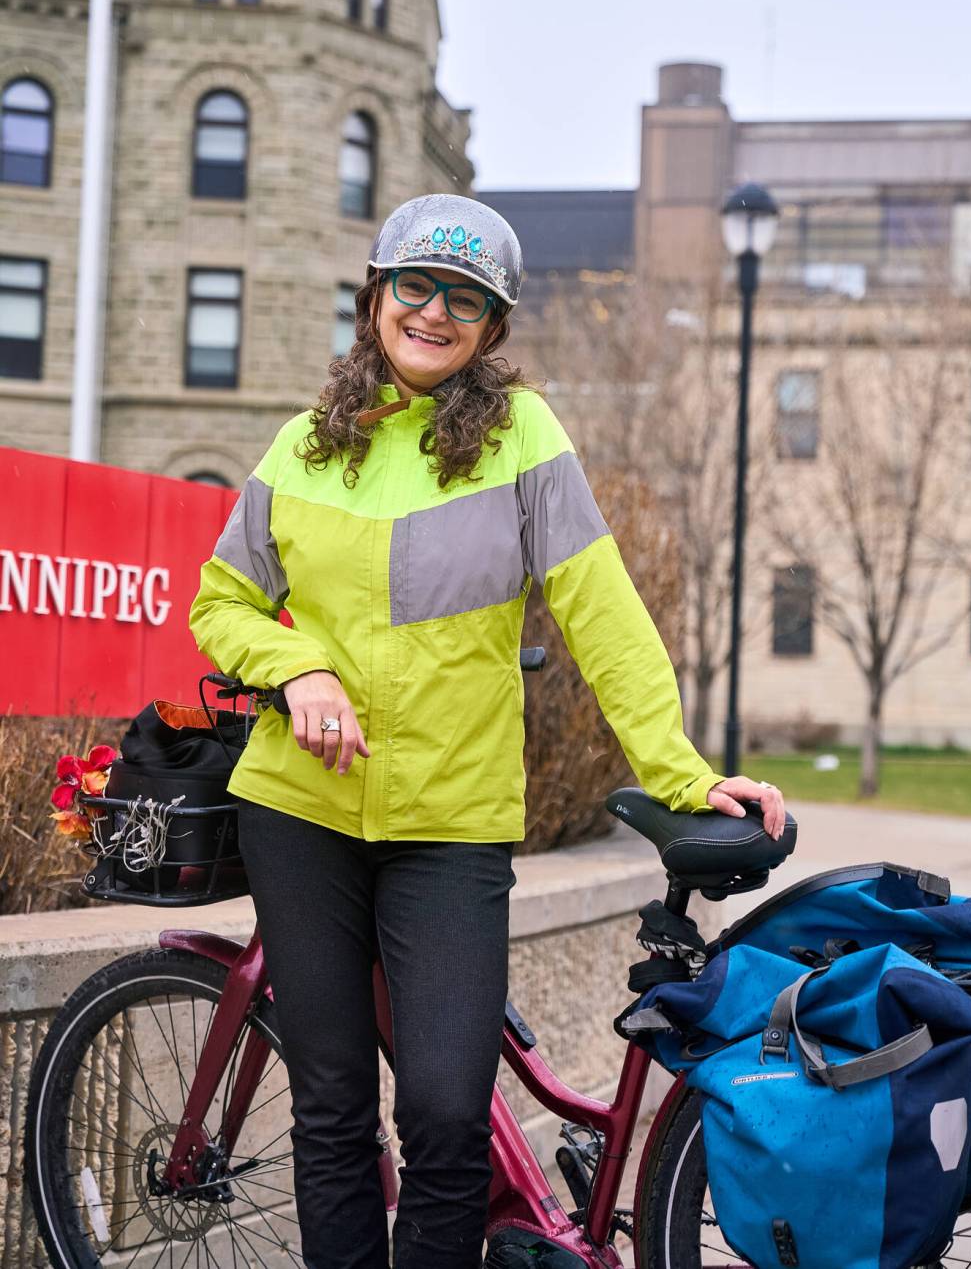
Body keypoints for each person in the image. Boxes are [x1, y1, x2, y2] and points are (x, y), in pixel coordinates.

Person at [189, 193, 785, 1269]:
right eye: (415, 285)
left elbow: (605, 617)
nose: (434, 310)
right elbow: (221, 602)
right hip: (299, 810)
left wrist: (687, 776)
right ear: (376, 296)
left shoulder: (524, 439)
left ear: (491, 330)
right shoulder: (300, 445)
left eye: (465, 298)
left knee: (450, 1118)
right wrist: (300, 664)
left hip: (450, 824)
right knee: (329, 1112)